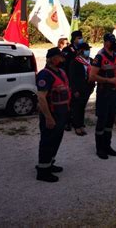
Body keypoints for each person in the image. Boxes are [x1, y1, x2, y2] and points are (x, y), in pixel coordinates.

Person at [35, 47, 70, 182]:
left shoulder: (60, 72)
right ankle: (43, 171)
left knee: (56, 140)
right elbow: (42, 98)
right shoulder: (45, 75)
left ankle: (49, 163)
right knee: (47, 142)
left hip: (61, 114)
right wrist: (48, 118)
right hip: (52, 115)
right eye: (60, 57)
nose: (62, 59)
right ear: (52, 59)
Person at [90, 33, 116, 159]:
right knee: (102, 121)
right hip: (104, 92)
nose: (114, 43)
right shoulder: (99, 57)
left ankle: (107, 145)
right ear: (106, 42)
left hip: (114, 93)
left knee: (110, 121)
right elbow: (92, 76)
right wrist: (108, 81)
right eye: (111, 41)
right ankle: (100, 148)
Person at [69, 42, 95, 136]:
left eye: (88, 49)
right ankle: (77, 126)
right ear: (80, 51)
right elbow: (72, 78)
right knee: (77, 107)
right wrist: (74, 90)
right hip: (78, 89)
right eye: (86, 49)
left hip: (87, 88)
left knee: (82, 107)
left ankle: (81, 124)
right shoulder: (75, 62)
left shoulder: (91, 61)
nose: (88, 51)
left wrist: (92, 86)